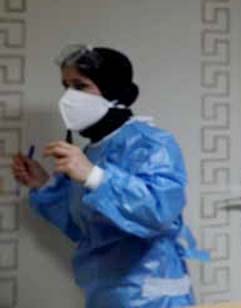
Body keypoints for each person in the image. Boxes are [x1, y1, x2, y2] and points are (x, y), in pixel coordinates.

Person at [12, 45, 205, 307]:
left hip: (153, 295)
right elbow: (85, 227)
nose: (69, 97)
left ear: (113, 90)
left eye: (80, 86)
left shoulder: (151, 144)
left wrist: (94, 177)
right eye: (65, 86)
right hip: (104, 293)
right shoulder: (91, 152)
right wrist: (44, 184)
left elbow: (159, 214)